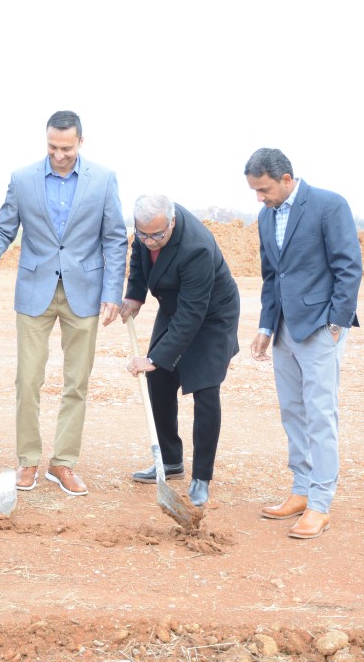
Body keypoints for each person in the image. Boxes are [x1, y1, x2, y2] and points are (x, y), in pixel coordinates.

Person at [0, 110, 127, 496]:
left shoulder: (104, 179)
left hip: (86, 292)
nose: (59, 155)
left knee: (76, 382)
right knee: (28, 379)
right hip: (35, 291)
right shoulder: (22, 179)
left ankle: (63, 463)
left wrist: (112, 292)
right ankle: (27, 460)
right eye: (52, 147)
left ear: (80, 142)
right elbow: (4, 229)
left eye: (66, 148)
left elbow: (115, 238)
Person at [244, 148, 363, 539]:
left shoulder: (329, 206)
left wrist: (336, 323)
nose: (259, 197)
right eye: (254, 190)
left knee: (320, 414)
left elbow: (349, 267)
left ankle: (320, 504)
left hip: (319, 327)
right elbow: (271, 277)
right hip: (283, 329)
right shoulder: (266, 217)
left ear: (286, 179)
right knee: (293, 411)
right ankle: (301, 489)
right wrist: (265, 327)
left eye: (264, 189)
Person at [120, 194, 240, 507]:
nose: (149, 241)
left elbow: (192, 315)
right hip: (175, 306)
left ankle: (201, 477)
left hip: (212, 315)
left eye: (157, 236)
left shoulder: (196, 248)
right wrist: (135, 294)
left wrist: (154, 358)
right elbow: (139, 258)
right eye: (143, 234)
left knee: (205, 389)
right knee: (158, 379)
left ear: (171, 222)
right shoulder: (148, 229)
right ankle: (171, 461)